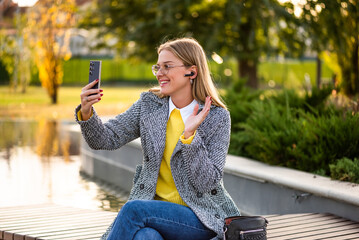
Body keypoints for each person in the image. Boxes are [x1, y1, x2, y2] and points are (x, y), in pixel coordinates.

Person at [75, 37, 240, 240]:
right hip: (154, 214)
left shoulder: (217, 117)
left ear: (192, 72)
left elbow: (207, 183)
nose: (159, 74)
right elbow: (105, 139)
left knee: (134, 210)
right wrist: (86, 111)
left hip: (200, 216)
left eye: (167, 67)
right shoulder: (149, 105)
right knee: (145, 237)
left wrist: (190, 137)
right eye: (158, 67)